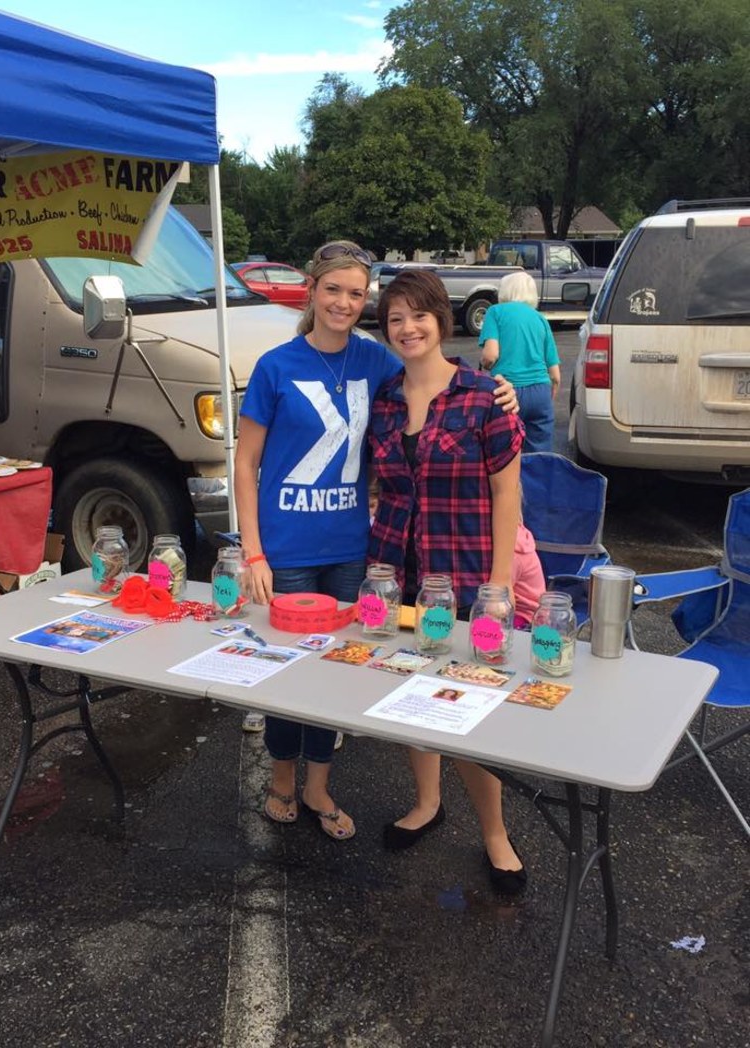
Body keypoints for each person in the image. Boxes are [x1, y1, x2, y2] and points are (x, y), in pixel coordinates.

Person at [235, 240, 520, 841]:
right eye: (334, 289)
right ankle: (285, 781)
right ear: (310, 290)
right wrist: (252, 549)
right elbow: (246, 461)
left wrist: (502, 389)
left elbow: (445, 381)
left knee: (345, 674)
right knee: (291, 675)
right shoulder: (280, 367)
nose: (345, 302)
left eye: (356, 293)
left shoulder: (381, 366)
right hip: (299, 554)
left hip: (362, 557)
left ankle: (320, 785)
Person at [367, 268, 527, 893]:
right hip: (394, 578)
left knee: (468, 707)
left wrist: (500, 584)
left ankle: (495, 833)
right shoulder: (383, 399)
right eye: (396, 318)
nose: (408, 328)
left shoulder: (484, 396)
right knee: (413, 694)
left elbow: (506, 493)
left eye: (419, 315)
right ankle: (428, 804)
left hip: (464, 577)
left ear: (442, 320)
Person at [478, 270, 561, 453]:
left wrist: (485, 365)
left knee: (505, 451)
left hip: (507, 391)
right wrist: (548, 394)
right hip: (540, 391)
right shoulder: (540, 318)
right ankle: (536, 481)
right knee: (539, 454)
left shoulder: (495, 312)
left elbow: (490, 355)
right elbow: (555, 374)